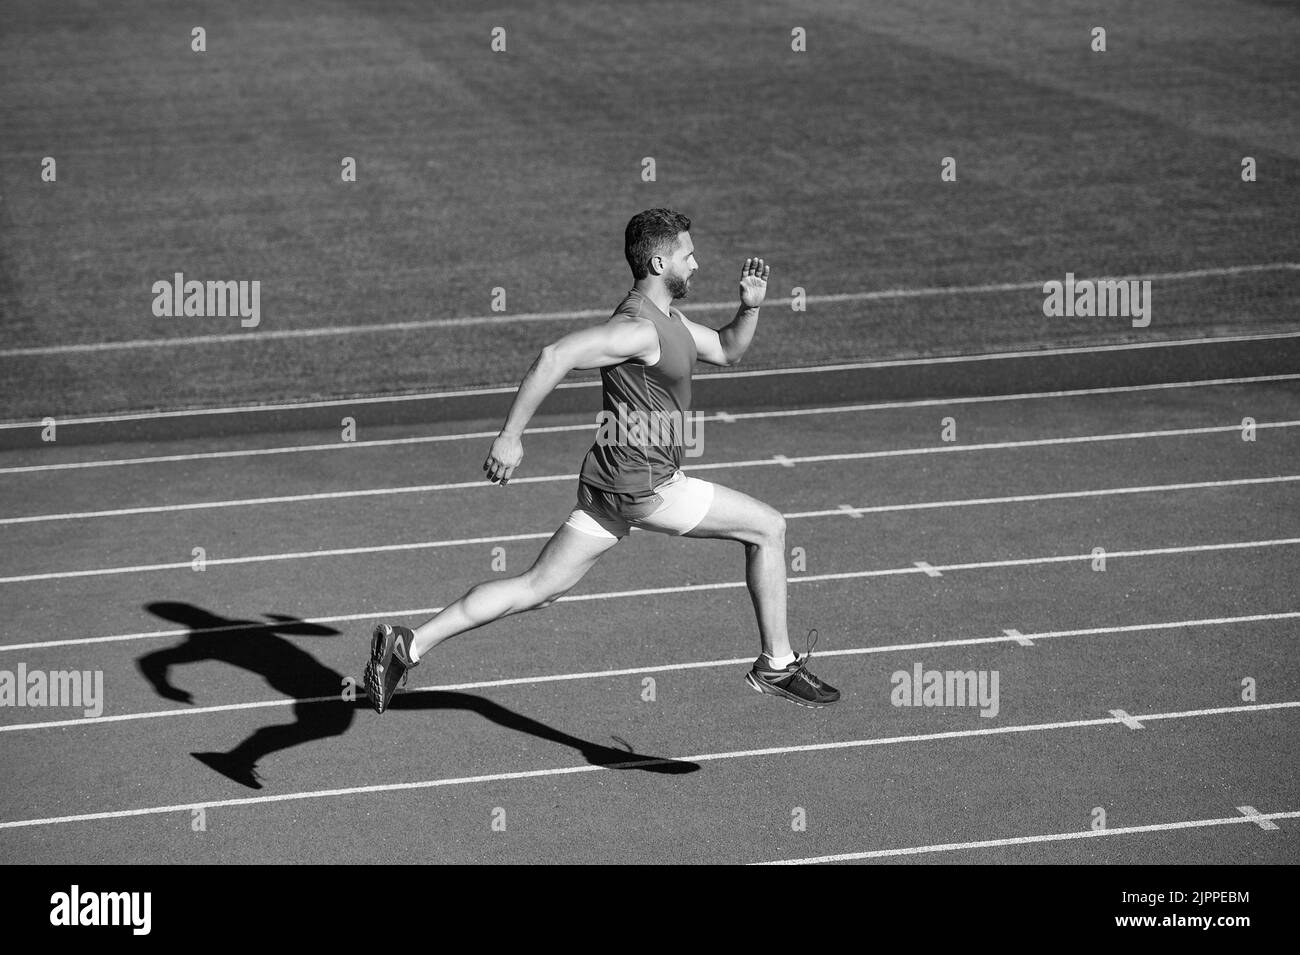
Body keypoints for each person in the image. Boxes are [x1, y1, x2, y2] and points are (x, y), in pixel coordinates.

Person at [364, 209, 839, 714]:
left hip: (609, 487)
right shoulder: (637, 329)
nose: (697, 264)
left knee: (537, 588)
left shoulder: (670, 323)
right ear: (659, 262)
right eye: (688, 254)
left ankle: (408, 644)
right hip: (646, 487)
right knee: (769, 527)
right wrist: (510, 437)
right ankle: (777, 664)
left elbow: (726, 349)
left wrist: (750, 308)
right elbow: (555, 355)